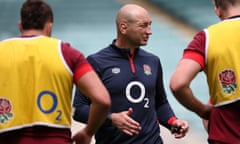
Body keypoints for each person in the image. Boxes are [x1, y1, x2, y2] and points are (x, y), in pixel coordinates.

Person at [72, 4, 189, 144]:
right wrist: (111, 118)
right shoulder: (96, 62)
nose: (149, 31)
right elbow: (80, 109)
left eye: (150, 25)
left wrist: (173, 122)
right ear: (123, 28)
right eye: (143, 26)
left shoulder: (153, 61)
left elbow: (159, 103)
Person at [0, 0, 111, 144]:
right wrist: (88, 132)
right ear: (49, 26)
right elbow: (103, 100)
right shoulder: (67, 53)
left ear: (20, 25)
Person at [169, 0, 240, 143]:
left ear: (217, 10)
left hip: (225, 134)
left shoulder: (207, 37)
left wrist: (202, 110)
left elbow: (178, 84)